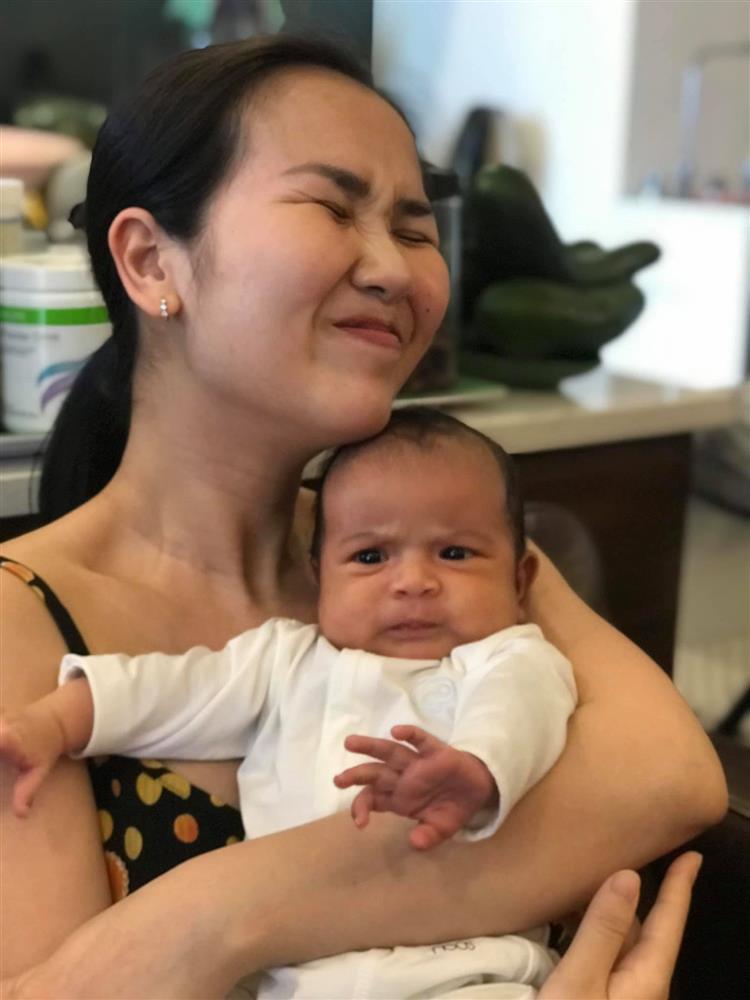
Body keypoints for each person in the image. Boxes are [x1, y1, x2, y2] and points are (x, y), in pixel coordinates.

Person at [0, 34, 726, 999]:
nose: (395, 269)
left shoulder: (426, 544)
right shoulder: (22, 626)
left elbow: (670, 775)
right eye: (332, 207)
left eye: (416, 229)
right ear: (148, 259)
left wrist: (206, 918)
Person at [2, 408, 578, 998]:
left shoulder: (508, 659)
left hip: (466, 971)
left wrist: (476, 769)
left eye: (454, 554)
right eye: (371, 557)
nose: (413, 581)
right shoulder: (284, 661)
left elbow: (518, 712)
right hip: (297, 979)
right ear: (319, 575)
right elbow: (173, 691)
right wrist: (58, 720)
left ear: (520, 580)